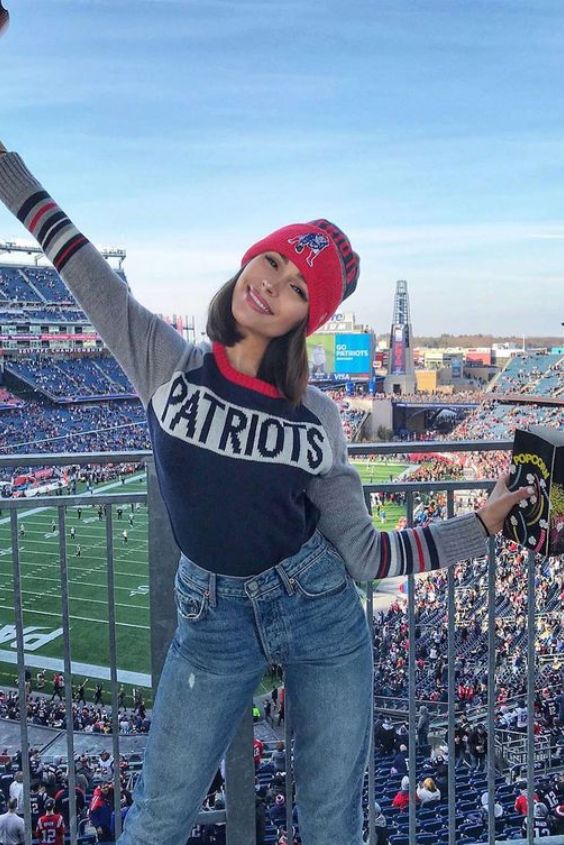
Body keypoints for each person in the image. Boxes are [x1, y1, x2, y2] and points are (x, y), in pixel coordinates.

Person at [0, 143, 534, 845]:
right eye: (273, 261)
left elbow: (366, 555)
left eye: (297, 288)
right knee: (158, 815)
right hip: (210, 618)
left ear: (302, 321)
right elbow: (72, 254)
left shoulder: (318, 416)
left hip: (318, 610)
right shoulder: (165, 358)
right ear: (250, 260)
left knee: (331, 820)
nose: (272, 283)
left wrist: (483, 525)